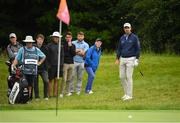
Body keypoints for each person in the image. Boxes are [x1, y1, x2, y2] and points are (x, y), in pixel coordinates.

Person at [12, 35, 46, 100]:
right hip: (24, 71)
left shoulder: (36, 50)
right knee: (24, 84)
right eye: (27, 42)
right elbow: (17, 58)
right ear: (26, 43)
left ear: (32, 43)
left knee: (30, 85)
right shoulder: (22, 49)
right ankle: (23, 97)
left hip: (33, 71)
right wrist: (13, 65)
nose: (28, 44)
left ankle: (28, 98)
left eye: (30, 42)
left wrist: (39, 63)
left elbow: (44, 56)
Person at [115, 22, 140, 101]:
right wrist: (117, 58)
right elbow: (119, 49)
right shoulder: (122, 38)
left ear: (130, 28)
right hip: (122, 58)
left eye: (128, 28)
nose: (127, 29)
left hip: (131, 59)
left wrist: (137, 59)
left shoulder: (134, 37)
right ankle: (126, 93)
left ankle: (130, 95)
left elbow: (138, 48)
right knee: (121, 77)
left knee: (129, 77)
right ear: (124, 29)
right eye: (125, 28)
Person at [47, 31, 64, 97]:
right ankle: (49, 94)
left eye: (57, 37)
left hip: (59, 66)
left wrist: (61, 65)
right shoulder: (49, 46)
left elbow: (62, 56)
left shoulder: (61, 46)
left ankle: (55, 94)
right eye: (55, 37)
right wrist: (48, 65)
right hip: (51, 66)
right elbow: (47, 57)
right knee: (50, 80)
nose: (56, 38)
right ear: (53, 38)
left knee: (56, 80)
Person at [59, 32, 76, 98]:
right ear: (65, 38)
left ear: (71, 38)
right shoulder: (63, 45)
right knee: (64, 79)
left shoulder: (73, 45)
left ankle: (67, 92)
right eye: (67, 37)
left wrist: (71, 46)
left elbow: (73, 54)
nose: (68, 38)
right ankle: (61, 93)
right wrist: (68, 46)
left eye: (69, 37)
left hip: (71, 63)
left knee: (69, 79)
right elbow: (64, 54)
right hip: (65, 63)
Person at [34, 34, 49, 100]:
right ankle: (37, 96)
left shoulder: (45, 48)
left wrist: (47, 68)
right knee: (35, 82)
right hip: (35, 68)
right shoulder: (33, 47)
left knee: (46, 81)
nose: (40, 41)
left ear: (43, 41)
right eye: (39, 39)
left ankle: (46, 96)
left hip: (43, 68)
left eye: (41, 39)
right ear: (36, 39)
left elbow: (47, 58)